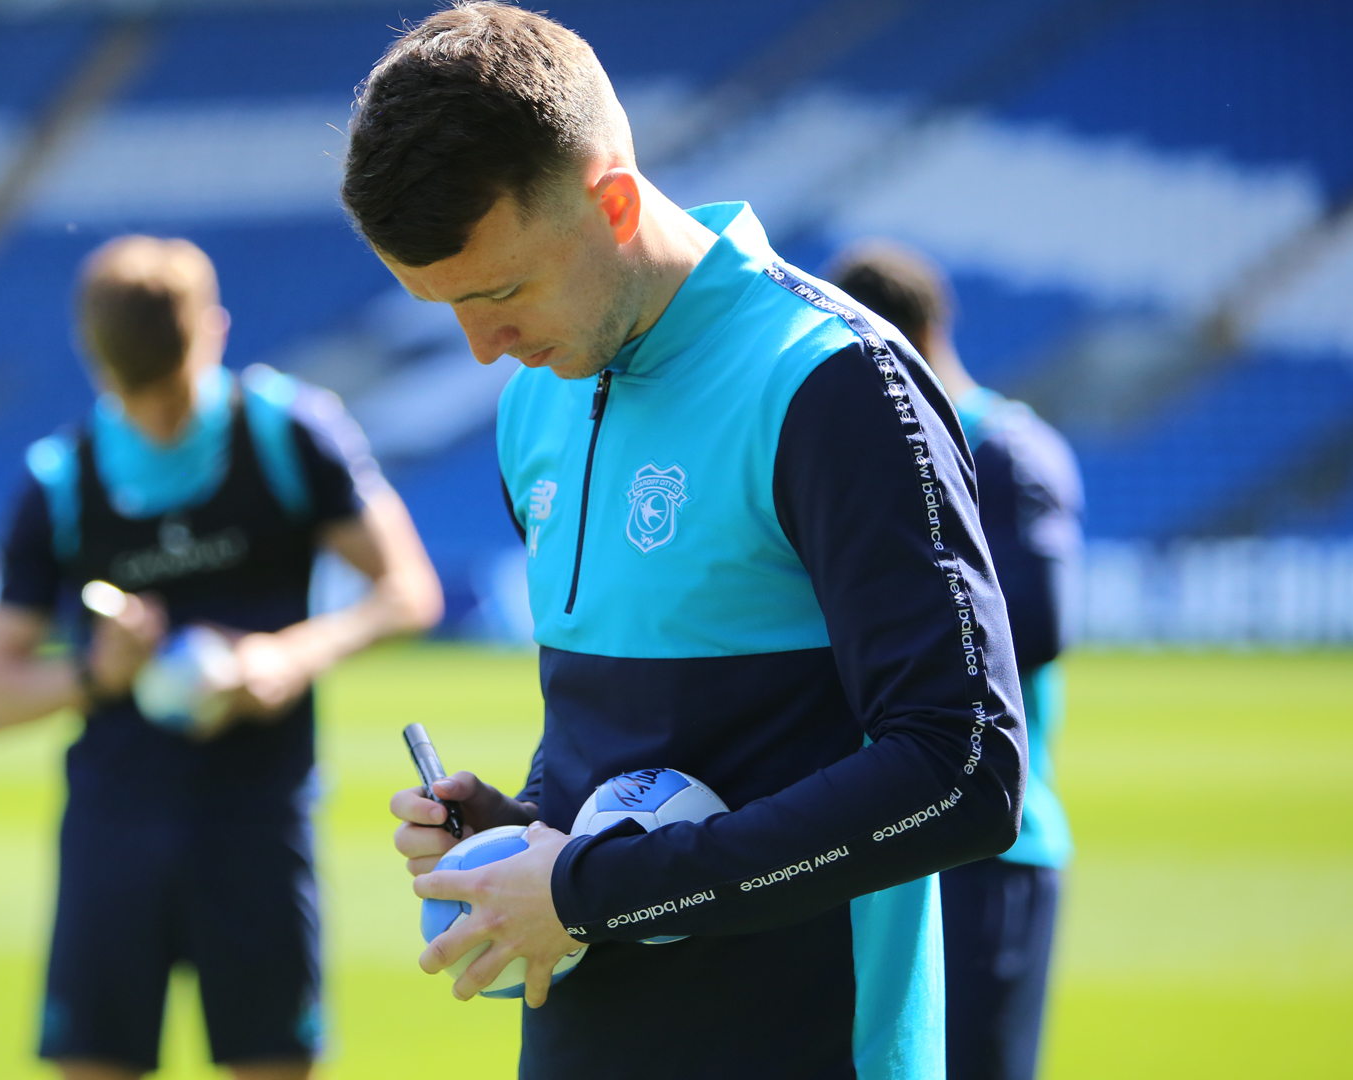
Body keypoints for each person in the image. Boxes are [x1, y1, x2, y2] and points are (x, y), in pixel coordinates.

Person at [347, 4, 1027, 1077]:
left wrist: (587, 888)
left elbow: (964, 770)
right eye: (447, 311)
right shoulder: (541, 398)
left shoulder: (831, 381)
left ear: (611, 201)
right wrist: (525, 829)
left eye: (502, 293)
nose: (485, 351)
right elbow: (641, 756)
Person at [0, 235, 444, 1080]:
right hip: (114, 828)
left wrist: (291, 655)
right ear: (96, 364)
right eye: (136, 393)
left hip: (255, 823)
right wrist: (94, 674)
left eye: (175, 391)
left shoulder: (288, 434)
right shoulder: (60, 482)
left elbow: (408, 590)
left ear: (220, 333)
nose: (160, 419)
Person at [829, 242, 1083, 1080]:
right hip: (877, 828)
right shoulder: (852, 453)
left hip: (991, 837)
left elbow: (1038, 629)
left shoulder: (1006, 449)